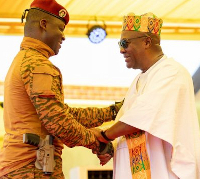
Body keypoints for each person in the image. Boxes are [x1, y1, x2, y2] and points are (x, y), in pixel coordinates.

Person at [0, 0, 122, 178]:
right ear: (44, 24)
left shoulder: (25, 60)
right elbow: (60, 123)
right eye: (60, 28)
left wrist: (112, 112)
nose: (63, 37)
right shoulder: (37, 65)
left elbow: (62, 114)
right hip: (31, 168)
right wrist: (98, 143)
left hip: (30, 167)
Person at [92, 12, 200, 179]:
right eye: (119, 44)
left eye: (125, 43)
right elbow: (128, 126)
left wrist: (105, 136)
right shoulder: (140, 79)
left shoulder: (171, 72)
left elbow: (140, 117)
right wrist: (111, 147)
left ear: (147, 42)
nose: (121, 50)